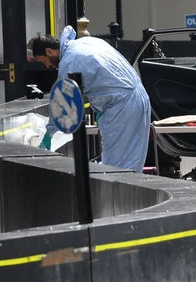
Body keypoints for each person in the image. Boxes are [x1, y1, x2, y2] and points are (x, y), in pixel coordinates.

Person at [30, 25, 151, 173]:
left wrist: (49, 134)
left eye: (44, 61)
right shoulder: (87, 42)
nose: (47, 66)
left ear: (49, 51)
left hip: (121, 107)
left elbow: (62, 106)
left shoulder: (68, 62)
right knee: (132, 160)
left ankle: (118, 196)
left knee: (117, 167)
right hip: (139, 96)